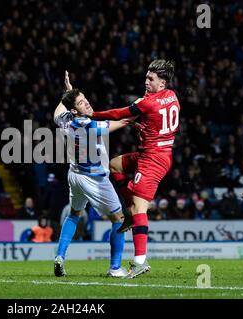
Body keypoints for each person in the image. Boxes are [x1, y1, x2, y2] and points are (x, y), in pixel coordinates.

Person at [90, 60, 181, 278]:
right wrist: (142, 126)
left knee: (140, 209)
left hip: (153, 159)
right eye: (146, 77)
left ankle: (140, 260)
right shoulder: (173, 95)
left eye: (151, 79)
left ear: (162, 84)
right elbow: (158, 120)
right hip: (152, 154)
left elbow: (119, 113)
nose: (146, 81)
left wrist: (92, 115)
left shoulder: (148, 103)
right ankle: (130, 210)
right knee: (114, 164)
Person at [53, 71, 133, 278]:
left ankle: (59, 256)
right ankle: (115, 268)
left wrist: (69, 92)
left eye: (85, 99)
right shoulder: (88, 125)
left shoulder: (66, 121)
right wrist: (138, 113)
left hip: (74, 175)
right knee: (120, 219)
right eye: (81, 103)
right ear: (75, 109)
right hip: (94, 179)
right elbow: (120, 122)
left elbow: (58, 112)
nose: (87, 103)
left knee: (74, 214)